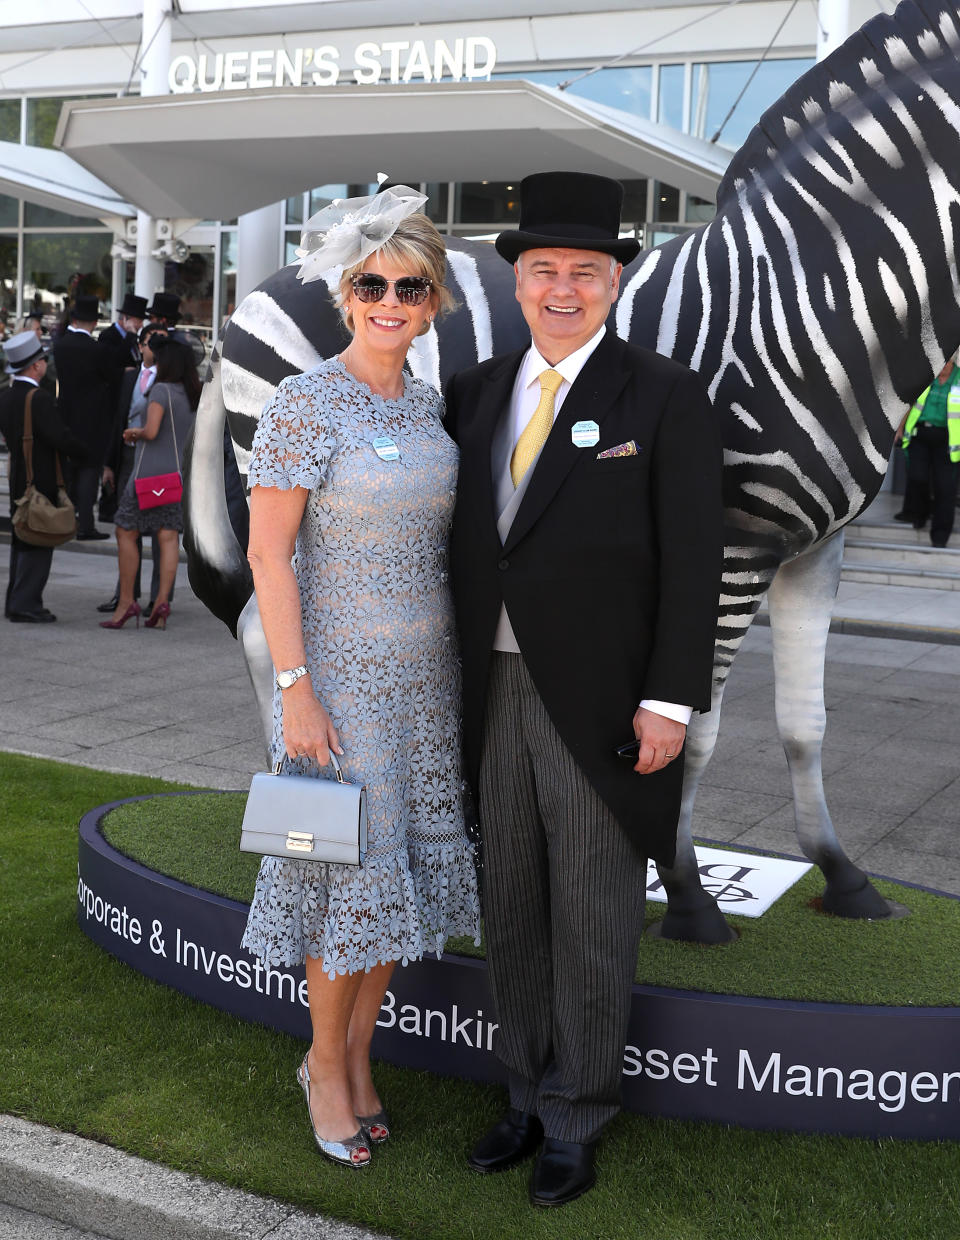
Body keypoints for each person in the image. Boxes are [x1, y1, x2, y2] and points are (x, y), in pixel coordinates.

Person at [445, 171, 724, 1207]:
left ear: (615, 282)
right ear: (517, 280)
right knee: (509, 904)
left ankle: (580, 1112)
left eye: (586, 272)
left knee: (595, 914)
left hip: (605, 701)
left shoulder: (662, 395)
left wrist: (671, 700)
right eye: (545, 270)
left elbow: (695, 565)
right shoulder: (475, 391)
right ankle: (522, 1091)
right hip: (491, 691)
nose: (564, 288)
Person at [240, 187, 480, 1169]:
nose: (390, 299)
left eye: (409, 286)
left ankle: (357, 1055)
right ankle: (323, 1069)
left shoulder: (425, 404)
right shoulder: (305, 403)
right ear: (346, 293)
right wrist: (296, 690)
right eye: (372, 282)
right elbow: (267, 559)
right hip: (337, 688)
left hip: (430, 683)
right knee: (346, 885)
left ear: (432, 302)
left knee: (398, 888)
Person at [100, 339, 199, 631]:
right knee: (168, 537)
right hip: (176, 477)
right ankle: (161, 605)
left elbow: (152, 431)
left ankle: (126, 602)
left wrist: (134, 433)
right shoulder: (193, 394)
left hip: (147, 475)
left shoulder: (161, 390)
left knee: (125, 530)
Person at [0, 330, 87, 622]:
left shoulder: (7, 396)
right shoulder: (39, 399)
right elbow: (60, 437)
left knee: (21, 539)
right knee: (38, 540)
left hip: (18, 480)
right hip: (41, 480)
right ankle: (27, 604)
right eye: (42, 360)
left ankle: (16, 601)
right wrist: (86, 452)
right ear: (35, 365)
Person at [97, 325, 170, 616]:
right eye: (153, 342)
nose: (158, 347)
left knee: (162, 529)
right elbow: (117, 420)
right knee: (128, 526)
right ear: (141, 346)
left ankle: (158, 599)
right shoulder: (129, 377)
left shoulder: (169, 381)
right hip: (128, 459)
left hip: (157, 461)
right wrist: (108, 463)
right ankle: (125, 594)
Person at [53, 294, 113, 540]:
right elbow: (111, 379)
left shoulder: (60, 346)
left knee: (68, 473)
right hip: (93, 422)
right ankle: (86, 525)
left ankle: (66, 520)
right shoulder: (98, 350)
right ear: (93, 322)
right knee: (89, 473)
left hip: (66, 417)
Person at [895, 356, 960, 546]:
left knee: (945, 489)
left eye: (945, 363)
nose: (942, 367)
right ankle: (920, 512)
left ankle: (940, 535)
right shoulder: (927, 377)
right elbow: (910, 403)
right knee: (917, 478)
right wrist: (900, 428)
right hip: (920, 435)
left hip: (948, 442)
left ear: (952, 363)